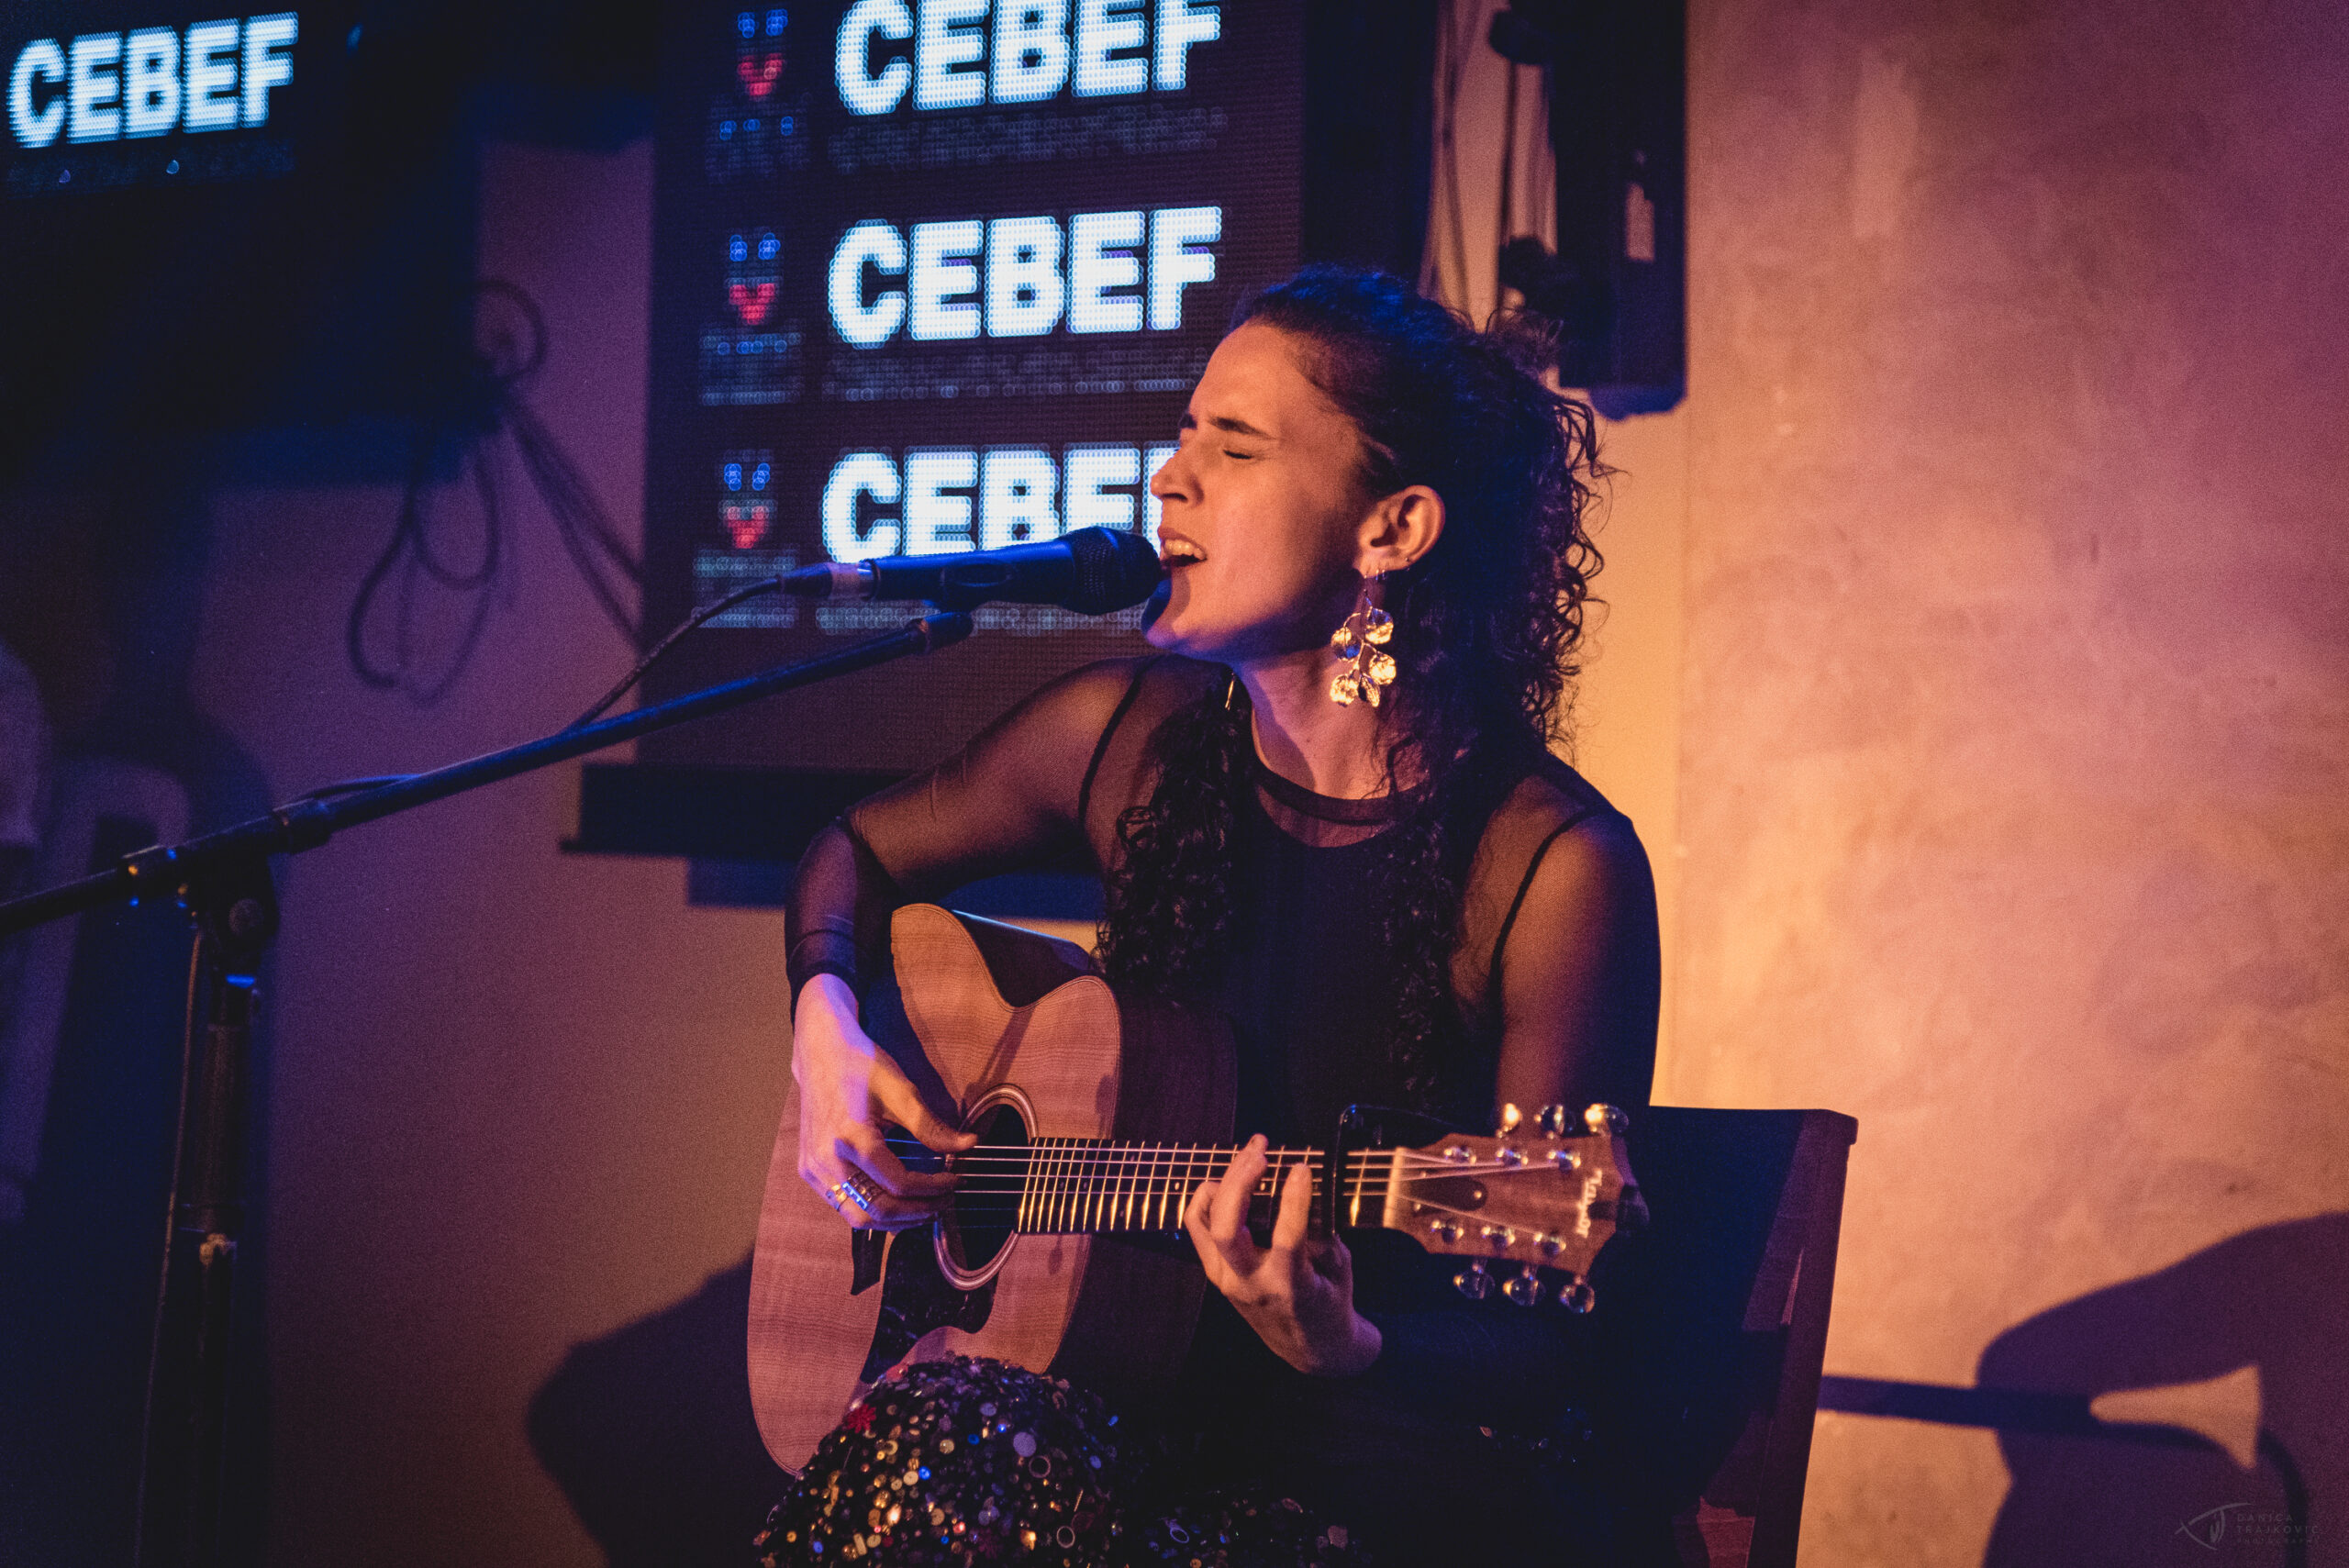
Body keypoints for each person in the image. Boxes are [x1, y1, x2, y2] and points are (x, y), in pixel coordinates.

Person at [778, 267, 1662, 1563]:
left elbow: (1547, 1340)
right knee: (941, 1440)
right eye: (1184, 433)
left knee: (964, 1464)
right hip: (1122, 1413)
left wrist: (1349, 1342)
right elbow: (851, 852)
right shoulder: (1127, 738)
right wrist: (828, 1027)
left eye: (1234, 447)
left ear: (1393, 529)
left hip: (1388, 1471)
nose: (1168, 479)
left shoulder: (1549, 868)